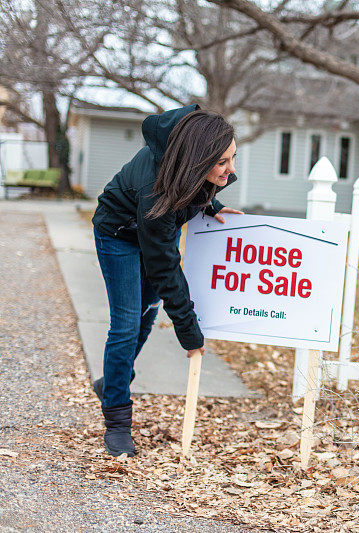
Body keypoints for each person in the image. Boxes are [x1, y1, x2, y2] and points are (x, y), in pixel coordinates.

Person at [91, 105, 242, 456]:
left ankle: (111, 382)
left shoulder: (188, 161)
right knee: (127, 322)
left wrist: (211, 204)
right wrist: (189, 332)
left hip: (159, 226)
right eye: (223, 163)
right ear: (197, 160)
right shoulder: (155, 190)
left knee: (147, 313)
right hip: (120, 234)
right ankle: (116, 419)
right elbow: (166, 270)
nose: (231, 169)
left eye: (233, 157)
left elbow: (192, 190)